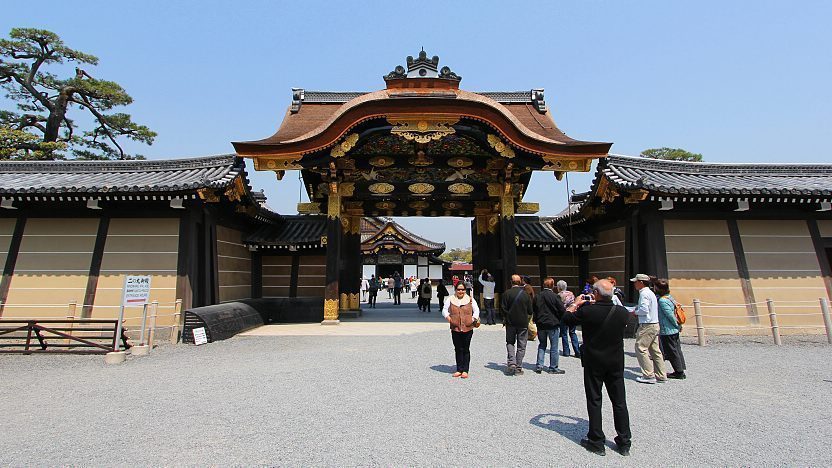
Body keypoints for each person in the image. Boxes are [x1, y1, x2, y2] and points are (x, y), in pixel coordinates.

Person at [562, 279, 632, 457]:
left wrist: (576, 304)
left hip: (594, 361)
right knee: (619, 401)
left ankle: (596, 441)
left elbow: (566, 318)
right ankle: (624, 442)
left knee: (595, 400)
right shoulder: (622, 312)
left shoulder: (587, 311)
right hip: (615, 362)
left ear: (596, 293)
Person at [631, 273, 666, 384]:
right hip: (654, 323)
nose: (634, 284)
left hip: (647, 325)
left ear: (641, 282)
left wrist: (635, 312)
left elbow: (644, 310)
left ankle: (648, 375)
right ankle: (661, 375)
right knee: (655, 350)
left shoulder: (644, 294)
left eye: (636, 282)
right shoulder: (650, 293)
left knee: (640, 348)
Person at [442, 282, 481, 378]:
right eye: (459, 289)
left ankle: (465, 370)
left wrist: (472, 319)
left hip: (468, 328)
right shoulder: (450, 299)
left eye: (462, 289)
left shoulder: (470, 299)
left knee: (466, 348)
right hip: (455, 328)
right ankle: (459, 369)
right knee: (458, 348)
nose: (461, 291)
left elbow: (476, 310)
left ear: (465, 290)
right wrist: (449, 319)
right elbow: (444, 310)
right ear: (455, 290)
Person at [501, 274, 533, 376]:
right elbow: (530, 310)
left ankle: (511, 363)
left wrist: (507, 316)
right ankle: (519, 367)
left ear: (511, 282)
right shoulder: (525, 294)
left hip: (510, 323)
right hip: (523, 323)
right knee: (521, 345)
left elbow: (503, 309)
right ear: (520, 282)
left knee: (510, 342)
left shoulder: (506, 294)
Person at [655, 278, 687, 379]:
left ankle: (679, 372)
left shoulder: (662, 301)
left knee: (672, 351)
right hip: (674, 330)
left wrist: (677, 325)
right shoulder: (669, 297)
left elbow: (670, 315)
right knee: (677, 349)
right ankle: (681, 367)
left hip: (668, 329)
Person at [534, 277, 567, 374]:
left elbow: (534, 309)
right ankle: (553, 367)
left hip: (541, 324)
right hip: (553, 323)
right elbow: (562, 310)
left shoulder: (538, 296)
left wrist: (536, 320)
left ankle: (539, 365)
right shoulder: (555, 296)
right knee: (554, 347)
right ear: (553, 286)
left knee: (542, 345)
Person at [557, 280, 581, 358]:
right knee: (572, 332)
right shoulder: (571, 293)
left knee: (564, 334)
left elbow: (559, 307)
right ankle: (577, 351)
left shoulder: (559, 295)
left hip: (564, 315)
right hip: (573, 314)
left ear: (559, 287)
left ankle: (566, 351)